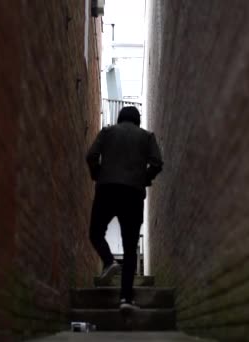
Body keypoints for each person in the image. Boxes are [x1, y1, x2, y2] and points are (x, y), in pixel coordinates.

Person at [86, 106, 163, 312]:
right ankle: (126, 300)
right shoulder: (147, 137)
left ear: (120, 118)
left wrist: (98, 174)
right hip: (133, 194)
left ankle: (109, 260)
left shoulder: (108, 132)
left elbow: (91, 155)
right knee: (130, 249)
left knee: (95, 232)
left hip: (107, 189)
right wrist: (144, 178)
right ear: (137, 120)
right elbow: (157, 162)